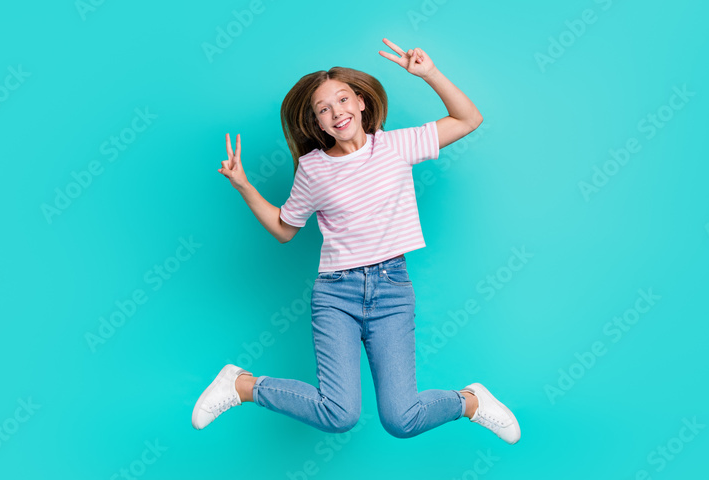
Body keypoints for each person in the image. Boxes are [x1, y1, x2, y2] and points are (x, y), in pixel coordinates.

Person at [193, 38, 520, 444]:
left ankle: (470, 401)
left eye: (343, 99)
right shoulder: (312, 170)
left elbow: (468, 119)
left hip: (392, 290)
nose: (336, 112)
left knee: (402, 419)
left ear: (362, 103)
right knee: (339, 414)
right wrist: (243, 185)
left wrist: (429, 74)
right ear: (317, 124)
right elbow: (283, 228)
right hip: (336, 294)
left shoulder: (396, 146)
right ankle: (241, 385)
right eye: (323, 109)